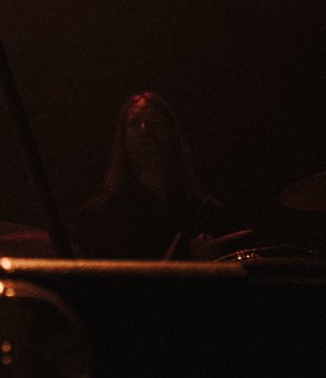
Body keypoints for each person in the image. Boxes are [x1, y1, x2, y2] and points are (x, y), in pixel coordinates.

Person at [77, 91, 233, 260]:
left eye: (154, 122)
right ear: (123, 140)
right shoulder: (100, 218)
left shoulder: (206, 213)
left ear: (171, 134)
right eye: (135, 123)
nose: (145, 130)